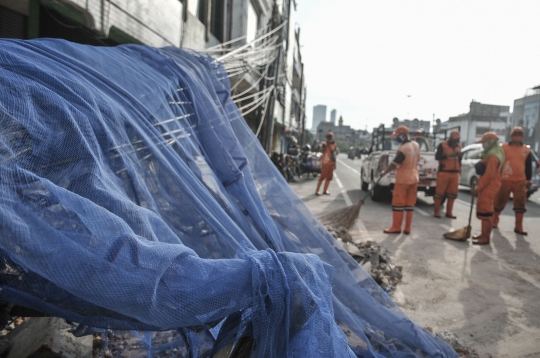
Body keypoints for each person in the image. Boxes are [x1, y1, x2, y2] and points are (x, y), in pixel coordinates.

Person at [379, 126, 420, 234]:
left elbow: (394, 164)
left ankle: (396, 227)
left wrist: (384, 172)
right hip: (414, 178)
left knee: (398, 204)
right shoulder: (416, 145)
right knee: (409, 205)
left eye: (397, 136)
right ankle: (407, 228)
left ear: (403, 135)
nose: (396, 139)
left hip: (403, 180)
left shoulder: (403, 149)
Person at [492, 126, 532, 235]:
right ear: (511, 136)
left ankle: (518, 226)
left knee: (520, 204)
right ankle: (494, 221)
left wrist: (529, 180)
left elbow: (528, 166)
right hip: (504, 179)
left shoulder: (526, 150)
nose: (517, 136)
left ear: (522, 136)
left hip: (520, 181)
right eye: (515, 134)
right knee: (499, 201)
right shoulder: (503, 147)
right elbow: (497, 162)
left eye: (519, 134)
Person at [471, 132, 504, 245]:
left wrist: (479, 187)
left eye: (484, 143)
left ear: (490, 143)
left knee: (486, 211)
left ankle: (485, 237)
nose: (483, 145)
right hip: (489, 184)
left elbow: (489, 175)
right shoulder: (490, 154)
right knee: (483, 209)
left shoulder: (493, 156)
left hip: (490, 185)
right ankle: (483, 234)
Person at [434, 130, 462, 218]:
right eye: (455, 139)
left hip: (455, 173)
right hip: (444, 172)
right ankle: (437, 212)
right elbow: (437, 157)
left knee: (452, 194)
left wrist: (460, 156)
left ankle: (449, 212)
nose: (457, 141)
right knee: (439, 194)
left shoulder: (459, 146)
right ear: (450, 138)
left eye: (458, 139)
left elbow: (459, 160)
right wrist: (449, 155)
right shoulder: (442, 145)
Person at [315, 131, 338, 195]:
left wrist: (335, 164)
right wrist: (327, 145)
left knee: (329, 178)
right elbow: (322, 151)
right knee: (322, 177)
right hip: (325, 163)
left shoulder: (334, 145)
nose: (330, 138)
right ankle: (317, 190)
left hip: (331, 163)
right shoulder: (324, 144)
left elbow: (335, 154)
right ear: (327, 138)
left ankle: (325, 190)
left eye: (331, 137)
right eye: (329, 137)